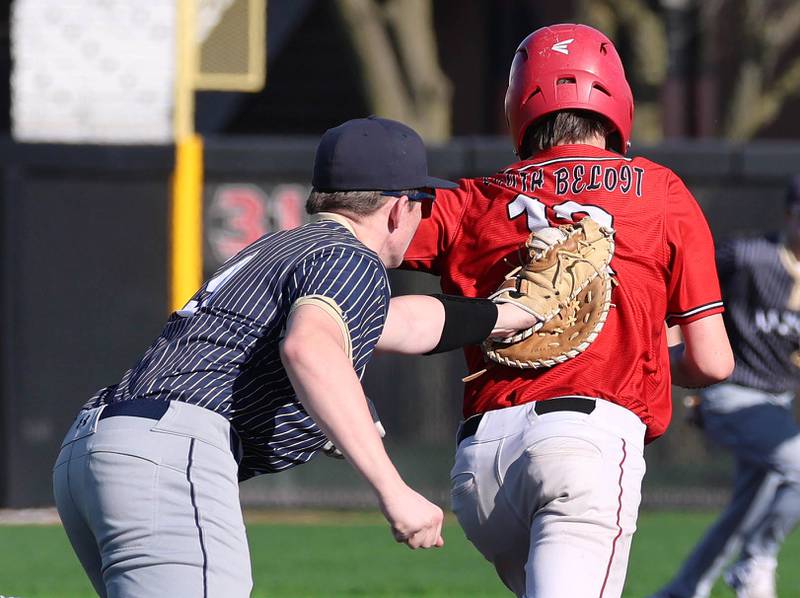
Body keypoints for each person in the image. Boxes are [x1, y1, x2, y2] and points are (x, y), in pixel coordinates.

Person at [52, 116, 539, 597]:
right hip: (166, 453)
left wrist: (505, 314)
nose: (423, 216)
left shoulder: (284, 248)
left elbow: (398, 322)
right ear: (397, 209)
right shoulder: (350, 259)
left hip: (96, 448)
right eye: (423, 201)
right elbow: (309, 349)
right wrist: (394, 490)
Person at [401, 24, 734, 598]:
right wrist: (634, 345)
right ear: (618, 104)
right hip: (584, 448)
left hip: (480, 466)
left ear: (518, 108)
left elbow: (366, 226)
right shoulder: (660, 191)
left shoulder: (473, 198)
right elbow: (712, 360)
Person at [651, 178, 800, 598]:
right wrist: (676, 353)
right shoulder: (750, 257)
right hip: (730, 395)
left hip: (776, 407)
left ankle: (683, 589)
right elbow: (680, 280)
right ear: (790, 213)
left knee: (744, 511)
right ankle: (758, 558)